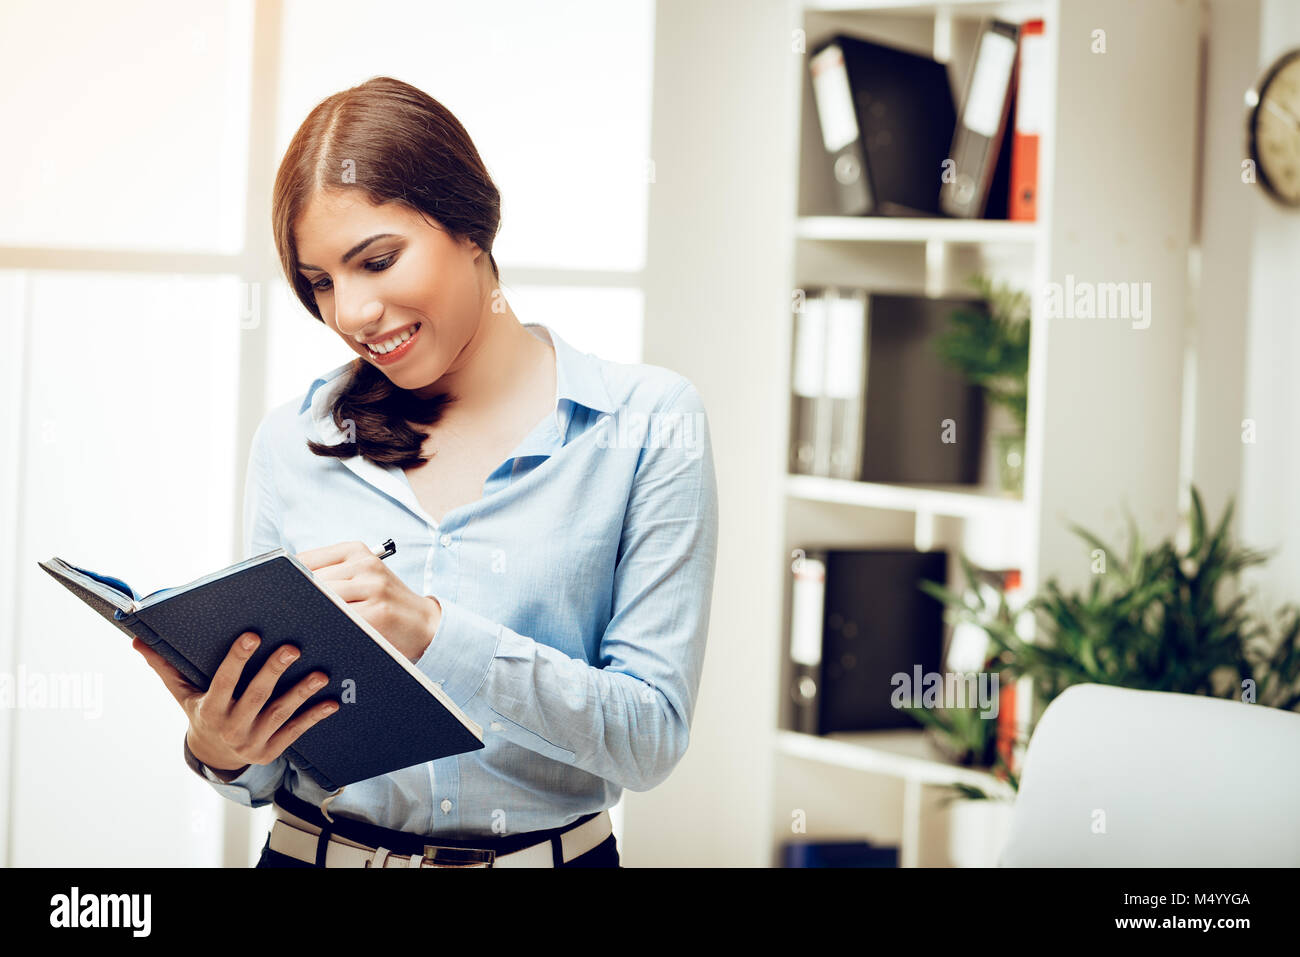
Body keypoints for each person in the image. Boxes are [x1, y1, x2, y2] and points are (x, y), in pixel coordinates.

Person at [132, 75, 719, 868]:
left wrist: (434, 631)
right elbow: (268, 773)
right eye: (321, 283)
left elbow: (650, 739)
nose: (350, 313)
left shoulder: (645, 424)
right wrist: (222, 744)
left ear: (472, 224)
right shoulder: (294, 443)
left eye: (376, 260)